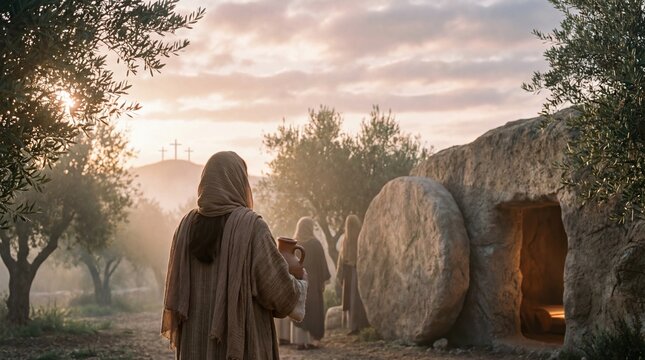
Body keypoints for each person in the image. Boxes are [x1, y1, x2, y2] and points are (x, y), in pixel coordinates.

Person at [162, 151, 308, 360]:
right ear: (239, 182)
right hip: (242, 346)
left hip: (196, 345)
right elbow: (278, 292)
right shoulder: (252, 227)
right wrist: (300, 283)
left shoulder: (185, 227)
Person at [291, 217, 330, 350]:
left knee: (300, 309)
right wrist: (323, 280)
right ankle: (314, 341)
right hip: (313, 282)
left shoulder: (294, 244)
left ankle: (300, 342)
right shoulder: (315, 244)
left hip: (298, 281)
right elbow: (321, 264)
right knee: (314, 310)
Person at [336, 214, 369, 334]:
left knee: (353, 300)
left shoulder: (349, 239)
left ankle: (354, 326)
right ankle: (357, 326)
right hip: (354, 271)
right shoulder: (359, 237)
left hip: (351, 272)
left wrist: (339, 276)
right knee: (354, 299)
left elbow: (341, 259)